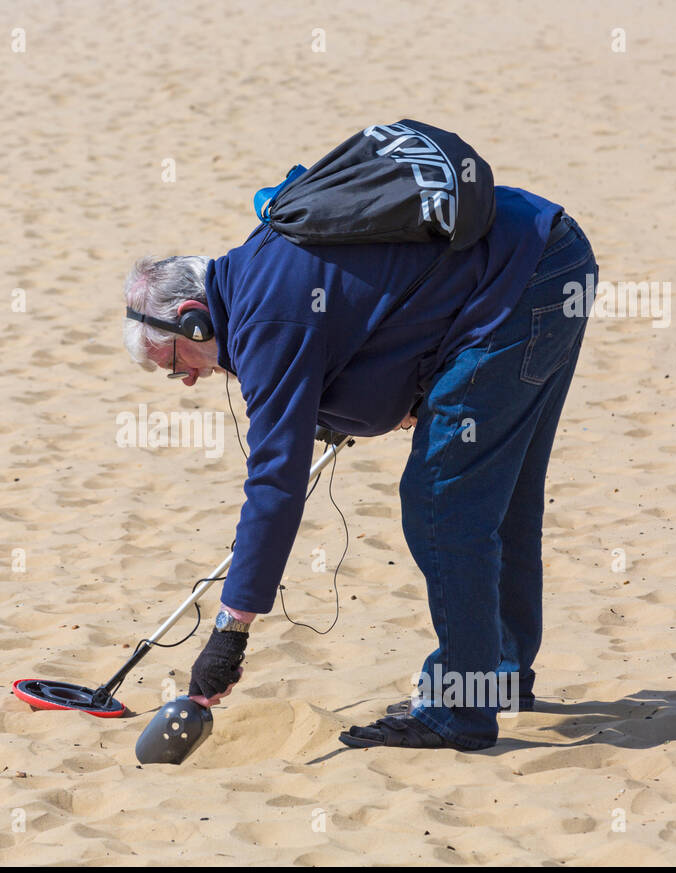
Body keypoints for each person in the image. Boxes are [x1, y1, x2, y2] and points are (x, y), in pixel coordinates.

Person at [121, 186, 597, 751]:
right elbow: (373, 321)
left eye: (176, 364)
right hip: (550, 254)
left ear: (194, 321)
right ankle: (495, 676)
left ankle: (461, 709)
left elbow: (275, 484)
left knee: (443, 504)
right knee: (503, 494)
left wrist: (231, 631)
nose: (191, 380)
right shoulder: (255, 272)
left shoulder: (266, 322)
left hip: (521, 283)